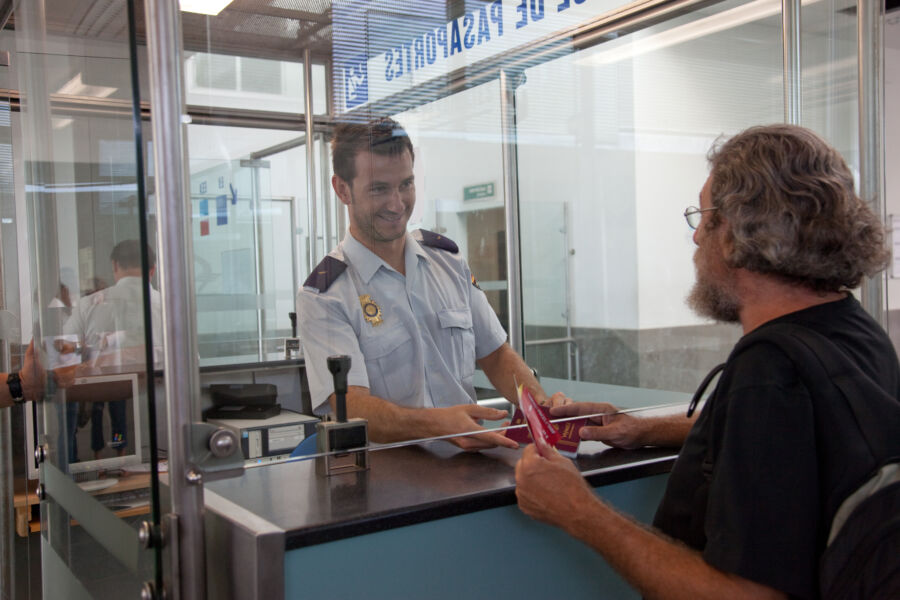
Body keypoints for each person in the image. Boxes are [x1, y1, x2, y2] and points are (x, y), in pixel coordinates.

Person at [514, 124, 899, 599]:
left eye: (705, 216)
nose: (696, 236)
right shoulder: (854, 330)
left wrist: (578, 511)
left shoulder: (770, 372)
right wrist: (640, 428)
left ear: (741, 231)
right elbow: (805, 440)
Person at [298, 117, 567, 451]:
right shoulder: (326, 295)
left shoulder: (448, 262)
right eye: (379, 188)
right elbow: (350, 405)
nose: (397, 204)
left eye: (406, 185)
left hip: (472, 470)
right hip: (390, 488)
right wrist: (436, 425)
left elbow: (496, 355)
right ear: (342, 189)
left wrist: (541, 408)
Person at [63, 240, 162, 459]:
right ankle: (120, 453)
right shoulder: (170, 306)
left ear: (115, 266)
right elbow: (191, 361)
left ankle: (101, 458)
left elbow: (63, 354)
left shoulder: (88, 305)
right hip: (164, 431)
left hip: (99, 386)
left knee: (104, 417)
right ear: (152, 270)